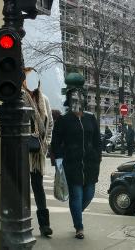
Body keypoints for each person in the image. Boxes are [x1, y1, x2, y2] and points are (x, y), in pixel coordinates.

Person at [51, 84, 101, 240]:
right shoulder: (63, 120)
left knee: (89, 194)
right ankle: (79, 227)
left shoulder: (90, 118)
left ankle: (76, 211)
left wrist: (98, 155)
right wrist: (59, 159)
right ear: (69, 101)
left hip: (90, 165)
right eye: (73, 98)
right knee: (77, 196)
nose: (77, 101)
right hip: (72, 164)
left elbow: (97, 140)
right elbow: (56, 142)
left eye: (79, 98)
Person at [22, 67, 54, 237]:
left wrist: (46, 143)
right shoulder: (20, 98)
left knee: (38, 187)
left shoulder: (45, 100)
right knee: (21, 187)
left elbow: (50, 124)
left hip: (38, 152)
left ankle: (44, 225)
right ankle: (23, 222)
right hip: (22, 151)